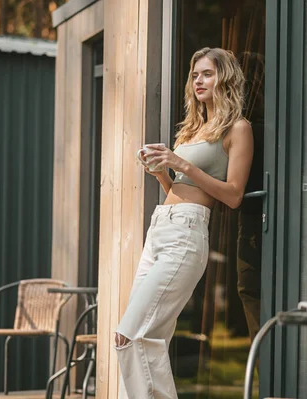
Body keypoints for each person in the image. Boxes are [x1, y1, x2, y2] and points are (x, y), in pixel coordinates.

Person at [114, 47, 254, 399]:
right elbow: (178, 187)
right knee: (148, 337)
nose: (199, 81)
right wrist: (161, 171)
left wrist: (183, 164)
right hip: (160, 226)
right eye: (195, 75)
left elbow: (234, 195)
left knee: (131, 335)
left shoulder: (238, 128)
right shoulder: (191, 130)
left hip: (187, 232)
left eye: (207, 73)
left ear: (225, 78)